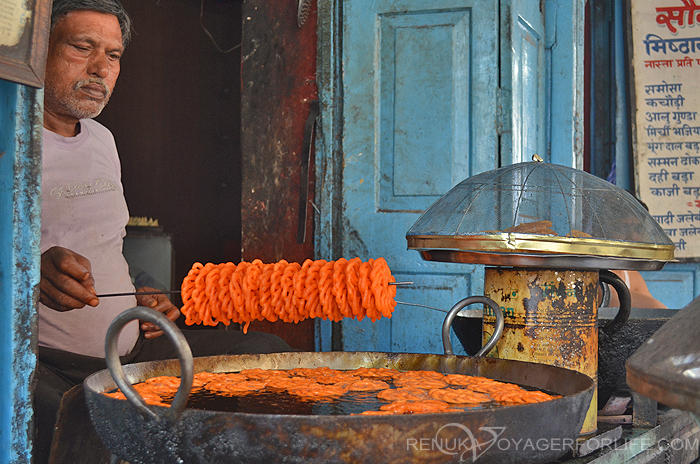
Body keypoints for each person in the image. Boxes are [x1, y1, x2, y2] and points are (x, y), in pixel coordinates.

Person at [35, 1, 291, 462]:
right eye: (82, 47)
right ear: (40, 50)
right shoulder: (11, 138)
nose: (99, 68)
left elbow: (103, 243)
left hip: (131, 347)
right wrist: (27, 274)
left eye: (113, 56)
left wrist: (137, 293)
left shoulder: (101, 139)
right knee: (82, 432)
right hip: (50, 363)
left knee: (264, 353)